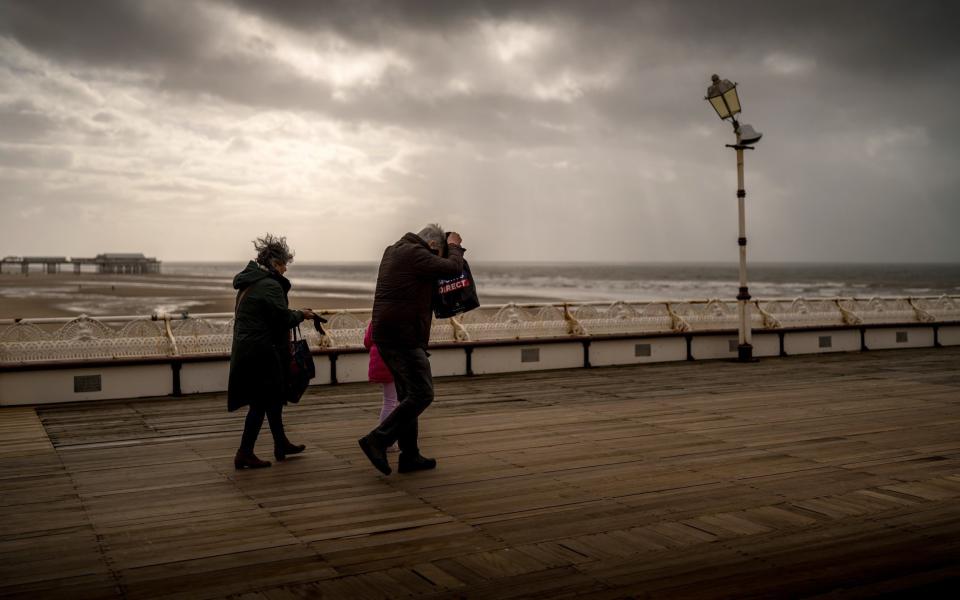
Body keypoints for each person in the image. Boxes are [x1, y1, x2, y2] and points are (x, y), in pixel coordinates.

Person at [358, 224, 464, 475]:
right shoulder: (414, 254)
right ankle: (377, 439)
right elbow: (452, 269)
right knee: (422, 394)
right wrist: (455, 247)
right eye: (438, 254)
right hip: (402, 337)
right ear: (433, 246)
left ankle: (410, 456)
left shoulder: (394, 250)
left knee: (408, 396)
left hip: (390, 336)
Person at [228, 234, 317, 469]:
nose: (286, 268)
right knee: (260, 402)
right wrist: (302, 315)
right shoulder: (270, 285)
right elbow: (282, 318)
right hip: (262, 352)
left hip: (249, 348)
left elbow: (268, 314)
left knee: (273, 398)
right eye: (283, 264)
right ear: (274, 264)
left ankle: (281, 443)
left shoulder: (251, 281)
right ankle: (244, 452)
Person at [363, 322, 399, 452]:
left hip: (379, 360)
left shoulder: (376, 318)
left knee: (389, 401)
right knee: (393, 402)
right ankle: (386, 441)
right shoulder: (398, 315)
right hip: (394, 361)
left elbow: (367, 342)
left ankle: (389, 439)